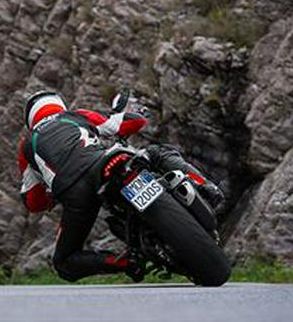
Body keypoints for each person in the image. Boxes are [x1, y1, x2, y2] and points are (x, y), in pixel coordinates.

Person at [17, 90, 225, 282]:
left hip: (75, 195)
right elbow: (130, 123)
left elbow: (33, 201)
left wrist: (50, 196)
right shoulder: (76, 116)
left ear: (30, 119)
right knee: (159, 153)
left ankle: (126, 262)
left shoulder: (27, 144)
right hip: (104, 165)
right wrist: (121, 111)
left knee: (64, 262)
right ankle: (205, 186)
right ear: (59, 104)